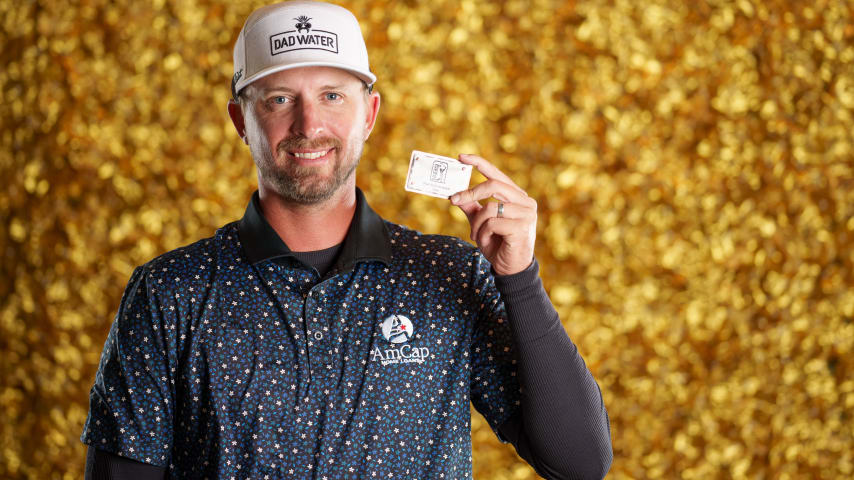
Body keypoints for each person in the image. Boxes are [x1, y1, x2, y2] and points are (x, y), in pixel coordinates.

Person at [80, 1, 612, 478]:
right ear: (241, 120)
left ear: (370, 115)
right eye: (280, 98)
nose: (309, 124)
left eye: (332, 95)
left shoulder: (448, 274)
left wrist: (518, 278)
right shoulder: (170, 293)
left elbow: (579, 462)